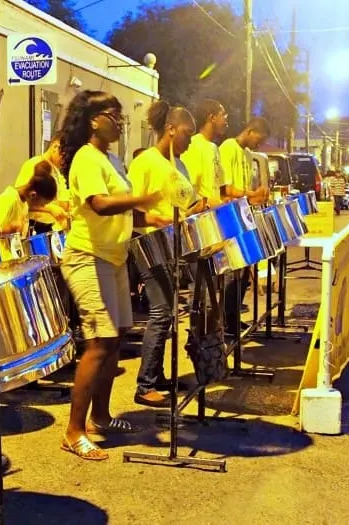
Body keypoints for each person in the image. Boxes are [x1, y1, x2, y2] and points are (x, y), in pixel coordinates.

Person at [58, 90, 162, 461]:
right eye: (112, 114)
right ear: (93, 120)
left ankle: (100, 418)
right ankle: (73, 431)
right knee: (98, 342)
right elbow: (100, 205)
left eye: (120, 114)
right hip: (88, 257)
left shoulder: (112, 159)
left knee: (115, 339)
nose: (118, 121)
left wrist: (155, 218)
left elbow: (125, 211)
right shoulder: (87, 158)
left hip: (115, 257)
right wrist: (141, 200)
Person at [129, 100, 201, 407]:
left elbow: (188, 206)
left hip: (172, 245)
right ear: (170, 130)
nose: (188, 141)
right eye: (186, 134)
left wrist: (202, 209)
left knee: (169, 312)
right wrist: (157, 219)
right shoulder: (145, 162)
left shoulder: (180, 165)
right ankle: (145, 385)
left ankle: (156, 376)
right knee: (160, 312)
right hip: (148, 243)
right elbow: (129, 211)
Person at [219, 117, 271, 332]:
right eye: (259, 138)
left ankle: (233, 317)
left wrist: (257, 197)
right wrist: (252, 194)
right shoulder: (228, 148)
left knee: (244, 271)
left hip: (244, 215)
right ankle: (225, 321)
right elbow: (227, 188)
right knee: (232, 273)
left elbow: (246, 187)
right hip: (229, 216)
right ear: (250, 131)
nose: (259, 144)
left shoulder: (249, 155)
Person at [0, 160, 57, 237]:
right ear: (33, 195)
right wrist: (8, 229)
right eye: (42, 204)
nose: (42, 207)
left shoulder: (24, 203)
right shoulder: (9, 198)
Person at [15, 133, 69, 233]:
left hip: (50, 227)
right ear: (55, 147)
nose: (64, 161)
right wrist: (50, 208)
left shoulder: (56, 171)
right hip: (35, 225)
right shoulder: (34, 164)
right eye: (64, 156)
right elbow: (22, 199)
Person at [181, 99, 229, 207]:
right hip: (202, 217)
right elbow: (188, 190)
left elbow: (219, 189)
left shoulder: (214, 148)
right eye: (224, 116)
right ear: (212, 118)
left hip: (215, 216)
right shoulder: (193, 145)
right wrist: (206, 204)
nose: (226, 122)